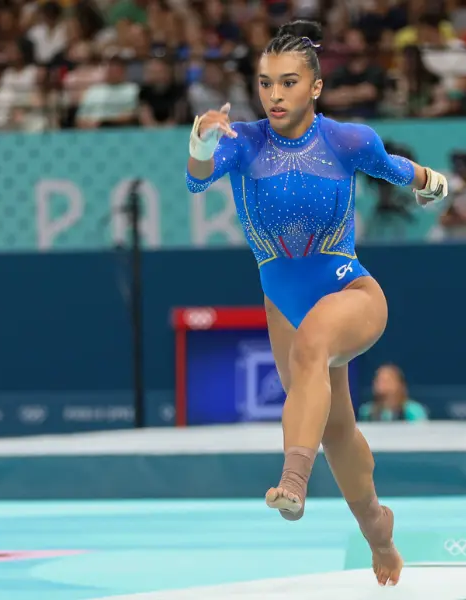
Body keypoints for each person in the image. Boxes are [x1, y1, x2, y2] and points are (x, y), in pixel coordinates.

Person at [183, 19, 448, 587]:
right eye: (264, 84)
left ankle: (293, 485)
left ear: (316, 87)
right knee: (337, 431)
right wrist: (202, 144)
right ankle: (380, 532)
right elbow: (197, 180)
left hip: (351, 291)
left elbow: (398, 170)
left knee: (315, 345)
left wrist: (433, 181)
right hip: (283, 301)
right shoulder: (245, 142)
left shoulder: (346, 140)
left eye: (287, 83)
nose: (274, 95)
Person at [358, 363, 429, 422]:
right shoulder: (366, 411)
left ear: (399, 384)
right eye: (378, 380)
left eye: (386, 381)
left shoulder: (414, 410)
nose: (381, 384)